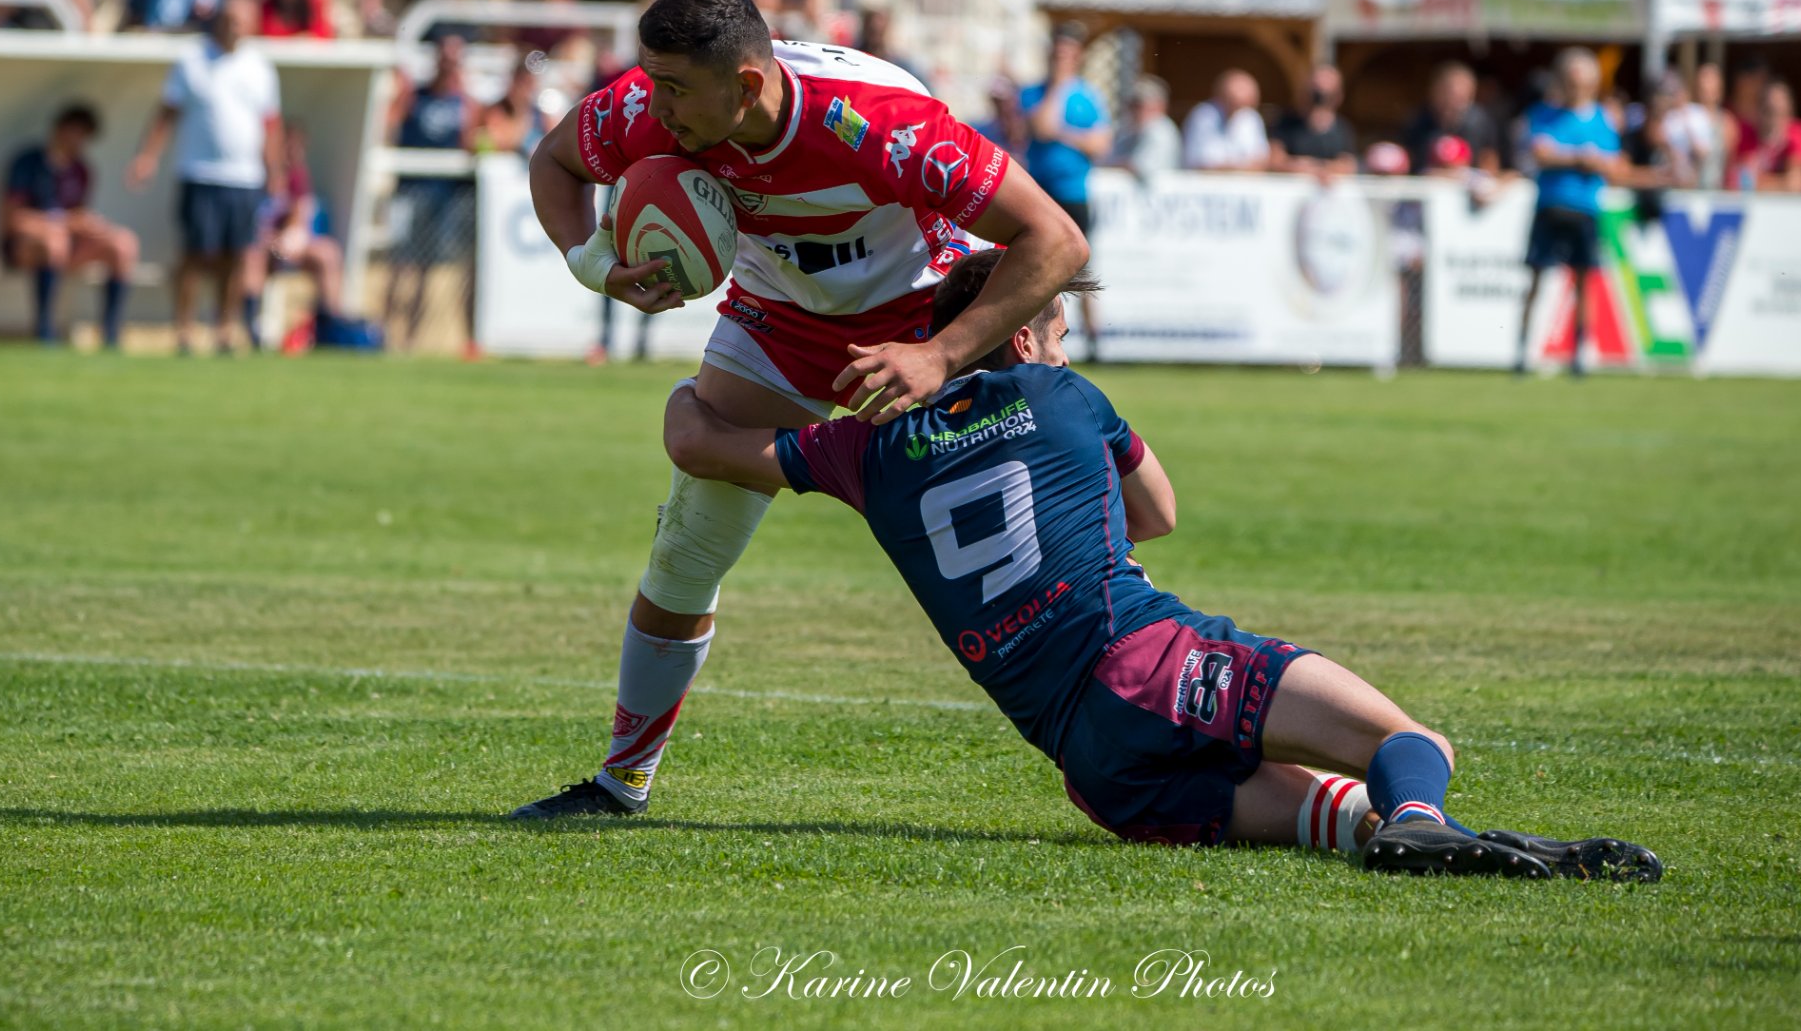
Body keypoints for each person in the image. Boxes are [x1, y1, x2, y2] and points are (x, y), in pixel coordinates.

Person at [652, 250, 1662, 881]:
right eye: (1054, 317)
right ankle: (1423, 815)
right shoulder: (1064, 397)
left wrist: (710, 325)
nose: (1064, 332)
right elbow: (1158, 514)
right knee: (1411, 742)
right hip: (1146, 660)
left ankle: (1467, 846)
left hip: (1090, 765)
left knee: (1331, 819)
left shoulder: (861, 453)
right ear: (1027, 329)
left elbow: (695, 440)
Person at [508, 0, 1088, 821]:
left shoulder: (882, 123)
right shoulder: (648, 104)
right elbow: (555, 163)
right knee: (687, 548)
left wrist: (941, 353)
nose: (653, 107)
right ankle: (619, 783)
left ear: (745, 86)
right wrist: (594, 264)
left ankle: (1149, 686)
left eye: (673, 89)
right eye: (651, 80)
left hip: (921, 312)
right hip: (778, 317)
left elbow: (1056, 239)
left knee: (1050, 539)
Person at [127, 0, 282, 355]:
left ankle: (224, 329)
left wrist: (274, 170)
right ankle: (183, 330)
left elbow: (271, 124)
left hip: (245, 178)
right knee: (195, 254)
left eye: (242, 20)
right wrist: (148, 156)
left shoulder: (260, 66)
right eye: (229, 19)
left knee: (236, 255)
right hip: (199, 173)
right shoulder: (191, 59)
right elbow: (168, 112)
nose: (234, 26)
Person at [1513, 48, 1621, 378]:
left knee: (1585, 281)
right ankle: (1523, 350)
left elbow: (1612, 163)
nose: (1575, 88)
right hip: (1550, 206)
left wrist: (1575, 158)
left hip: (1585, 209)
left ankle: (1581, 351)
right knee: (1536, 278)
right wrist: (1579, 158)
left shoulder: (1602, 119)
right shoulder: (1542, 114)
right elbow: (1541, 153)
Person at [1, 104, 138, 348]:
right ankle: (44, 330)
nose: (79, 141)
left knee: (123, 243)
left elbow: (78, 216)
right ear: (60, 129)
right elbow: (14, 220)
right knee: (54, 240)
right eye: (76, 132)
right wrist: (65, 222)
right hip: (26, 248)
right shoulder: (27, 163)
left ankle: (110, 334)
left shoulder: (81, 170)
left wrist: (91, 225)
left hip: (68, 246)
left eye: (85, 136)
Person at [241, 120, 373, 351]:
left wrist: (287, 238)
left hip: (285, 245)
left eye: (298, 147)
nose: (293, 153)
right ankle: (252, 326)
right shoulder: (253, 174)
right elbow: (251, 222)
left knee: (327, 253)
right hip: (259, 244)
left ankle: (329, 323)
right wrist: (271, 239)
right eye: (288, 146)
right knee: (254, 256)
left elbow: (299, 218)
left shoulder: (297, 178)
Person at [382, 33, 477, 351]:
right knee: (399, 267)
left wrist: (465, 98)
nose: (450, 65)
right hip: (409, 193)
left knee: (424, 274)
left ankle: (410, 338)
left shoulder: (464, 103)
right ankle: (385, 334)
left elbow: (470, 143)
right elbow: (389, 127)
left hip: (443, 200)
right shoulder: (415, 96)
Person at [1019, 23, 1109, 357]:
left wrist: (1064, 133)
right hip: (1040, 195)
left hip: (1074, 194)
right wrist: (1058, 88)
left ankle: (1095, 340)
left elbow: (1100, 144)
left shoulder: (1088, 96)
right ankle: (1038, 338)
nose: (1060, 60)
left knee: (1080, 268)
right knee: (1038, 267)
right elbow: (1040, 127)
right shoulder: (1034, 93)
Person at [1405, 61, 1500, 177]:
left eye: (1461, 96)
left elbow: (1489, 162)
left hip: (1467, 185)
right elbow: (1409, 162)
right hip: (1427, 185)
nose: (1454, 101)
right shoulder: (1417, 121)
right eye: (1449, 93)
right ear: (1434, 90)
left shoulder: (1480, 122)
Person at [1270, 63, 1357, 178]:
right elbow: (1275, 160)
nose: (1320, 98)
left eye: (1327, 94)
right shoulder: (1286, 123)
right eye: (1315, 92)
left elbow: (1348, 165)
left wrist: (1318, 169)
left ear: (1338, 96)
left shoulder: (1342, 128)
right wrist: (1310, 169)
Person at [1730, 77, 1801, 192]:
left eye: (1781, 112)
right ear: (1758, 110)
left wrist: (1757, 182)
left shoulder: (1798, 133)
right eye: (1769, 111)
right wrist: (1781, 181)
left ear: (1790, 112)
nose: (1775, 119)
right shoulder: (1745, 134)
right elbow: (1738, 184)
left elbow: (1796, 184)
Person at [1180, 69, 1268, 171]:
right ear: (1221, 95)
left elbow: (1260, 160)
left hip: (1244, 184)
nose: (1238, 107)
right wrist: (1240, 167)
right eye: (1233, 100)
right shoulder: (1203, 116)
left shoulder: (1251, 117)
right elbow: (1200, 162)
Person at [1665, 62, 1729, 190]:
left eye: (1711, 83)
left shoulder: (1727, 122)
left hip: (1713, 192)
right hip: (1682, 188)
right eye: (1702, 83)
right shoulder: (1681, 117)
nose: (1706, 87)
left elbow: (1728, 163)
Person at [1110, 74, 1179, 180]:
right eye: (1132, 104)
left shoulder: (1160, 129)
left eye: (1139, 104)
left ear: (1159, 105)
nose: (1134, 110)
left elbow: (1139, 166)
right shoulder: (1129, 129)